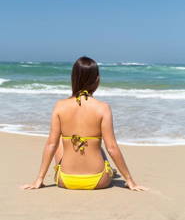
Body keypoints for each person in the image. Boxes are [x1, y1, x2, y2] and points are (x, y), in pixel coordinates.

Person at [22, 56, 148, 191]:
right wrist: (129, 180)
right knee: (98, 144)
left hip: (65, 180)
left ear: (73, 78)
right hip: (99, 180)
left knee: (57, 139)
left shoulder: (60, 106)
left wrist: (39, 179)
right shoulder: (103, 108)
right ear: (97, 80)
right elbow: (111, 147)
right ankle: (109, 170)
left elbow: (51, 145)